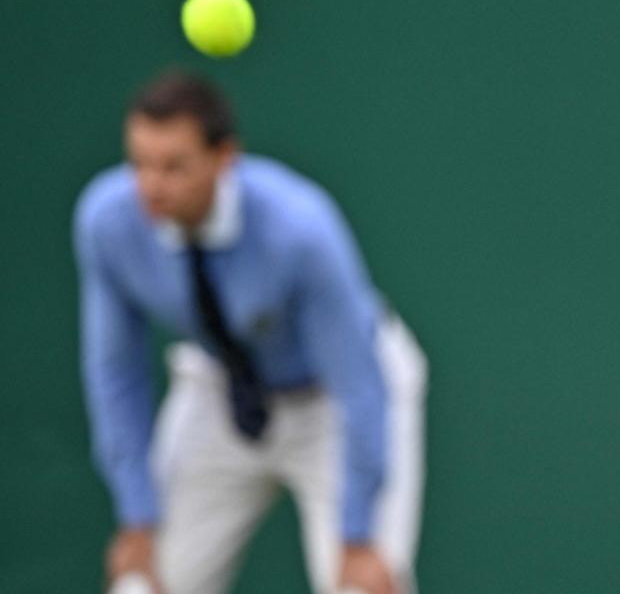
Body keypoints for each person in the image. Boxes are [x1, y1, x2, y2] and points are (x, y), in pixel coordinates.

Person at [74, 70, 428, 594]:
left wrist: (357, 537)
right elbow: (115, 370)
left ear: (224, 159)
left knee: (362, 590)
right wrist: (136, 514)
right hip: (219, 392)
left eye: (175, 167)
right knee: (140, 586)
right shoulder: (107, 222)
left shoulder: (300, 230)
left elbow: (359, 382)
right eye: (141, 164)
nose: (152, 187)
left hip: (338, 406)